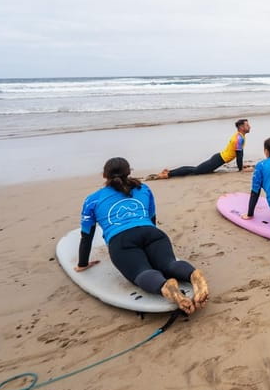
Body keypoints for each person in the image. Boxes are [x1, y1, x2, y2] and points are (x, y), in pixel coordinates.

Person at [76, 157, 209, 314]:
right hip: (153, 234)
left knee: (142, 272)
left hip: (121, 241)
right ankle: (194, 275)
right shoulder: (143, 189)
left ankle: (166, 286)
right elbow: (152, 219)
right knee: (168, 264)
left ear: (104, 175)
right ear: (129, 172)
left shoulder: (92, 200)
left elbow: (86, 236)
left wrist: (82, 264)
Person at [152, 119, 252, 179]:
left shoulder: (240, 136)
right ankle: (168, 174)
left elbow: (239, 155)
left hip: (218, 158)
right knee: (195, 171)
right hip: (218, 160)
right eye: (247, 125)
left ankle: (169, 172)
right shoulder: (238, 139)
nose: (249, 127)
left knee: (195, 169)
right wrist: (241, 169)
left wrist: (242, 166)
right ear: (241, 127)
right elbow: (239, 155)